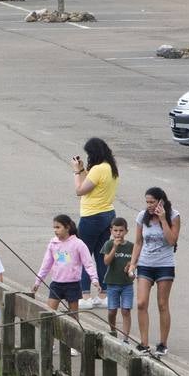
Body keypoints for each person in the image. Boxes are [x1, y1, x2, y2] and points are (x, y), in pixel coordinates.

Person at [129, 186, 181, 356]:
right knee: (141, 303)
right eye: (147, 202)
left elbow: (172, 240)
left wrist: (163, 219)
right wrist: (132, 264)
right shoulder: (141, 217)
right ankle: (144, 343)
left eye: (152, 202)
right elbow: (138, 242)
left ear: (161, 201)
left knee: (162, 304)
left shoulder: (173, 215)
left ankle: (163, 343)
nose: (149, 205)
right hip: (145, 264)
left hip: (164, 264)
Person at [72, 136, 118, 307]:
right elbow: (92, 182)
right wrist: (83, 170)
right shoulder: (110, 168)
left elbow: (80, 190)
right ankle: (104, 295)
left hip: (92, 215)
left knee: (83, 254)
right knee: (101, 255)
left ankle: (84, 295)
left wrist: (76, 172)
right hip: (108, 214)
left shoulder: (98, 169)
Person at [31, 214, 101, 314]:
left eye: (58, 227)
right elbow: (46, 264)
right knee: (48, 314)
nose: (55, 230)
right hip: (56, 284)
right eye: (54, 227)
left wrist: (94, 279)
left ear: (67, 228)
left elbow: (88, 264)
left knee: (73, 317)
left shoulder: (78, 244)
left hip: (72, 285)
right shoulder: (53, 244)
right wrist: (38, 281)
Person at [102, 217, 135, 341]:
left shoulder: (131, 246)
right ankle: (113, 330)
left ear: (126, 231)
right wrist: (115, 248)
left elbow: (135, 262)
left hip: (127, 284)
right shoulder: (109, 244)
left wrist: (130, 268)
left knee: (126, 310)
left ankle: (125, 338)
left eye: (121, 230)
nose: (118, 233)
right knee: (112, 311)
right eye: (115, 230)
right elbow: (106, 261)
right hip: (112, 283)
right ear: (111, 231)